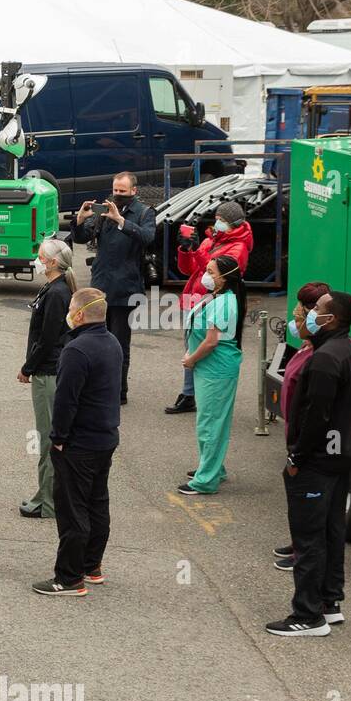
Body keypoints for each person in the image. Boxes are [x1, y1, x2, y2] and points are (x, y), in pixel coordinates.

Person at [267, 290, 351, 637]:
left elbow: (315, 415)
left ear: (332, 318)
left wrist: (296, 456)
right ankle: (329, 602)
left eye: (318, 310)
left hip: (317, 461)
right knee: (331, 531)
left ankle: (307, 616)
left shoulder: (325, 359)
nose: (311, 313)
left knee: (308, 538)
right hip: (341, 456)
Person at [33, 288, 122, 597]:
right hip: (105, 438)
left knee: (72, 509)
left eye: (71, 309)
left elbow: (65, 402)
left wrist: (57, 438)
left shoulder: (76, 350)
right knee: (98, 503)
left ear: (81, 314)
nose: (67, 314)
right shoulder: (112, 343)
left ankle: (69, 578)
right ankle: (91, 565)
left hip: (78, 443)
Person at [71, 172, 155, 405]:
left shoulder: (145, 212)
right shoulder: (105, 211)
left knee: (119, 344)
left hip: (126, 290)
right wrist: (79, 220)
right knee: (94, 341)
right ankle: (98, 386)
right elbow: (81, 238)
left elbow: (148, 237)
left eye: (122, 191)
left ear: (134, 191)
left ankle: (119, 392)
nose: (117, 195)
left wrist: (120, 220)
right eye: (115, 190)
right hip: (100, 287)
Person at [166, 200, 253, 415]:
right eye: (217, 218)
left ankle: (191, 394)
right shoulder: (210, 240)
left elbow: (217, 273)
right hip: (193, 299)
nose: (217, 223)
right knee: (191, 345)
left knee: (203, 347)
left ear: (234, 223)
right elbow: (187, 270)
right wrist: (185, 250)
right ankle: (189, 393)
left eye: (222, 220)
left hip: (211, 302)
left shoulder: (238, 247)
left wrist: (197, 251)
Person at [272, 282, 330, 572]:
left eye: (300, 318)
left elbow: (314, 409)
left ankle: (303, 552)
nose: (296, 324)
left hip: (303, 442)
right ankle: (298, 543)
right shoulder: (307, 348)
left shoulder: (320, 359)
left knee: (308, 502)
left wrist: (298, 451)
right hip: (293, 434)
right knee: (297, 500)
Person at [178, 254, 245, 496]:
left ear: (225, 278)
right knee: (211, 422)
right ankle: (213, 468)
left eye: (211, 272)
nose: (206, 275)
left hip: (214, 369)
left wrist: (191, 359)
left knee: (210, 424)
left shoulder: (224, 303)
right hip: (211, 369)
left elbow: (211, 342)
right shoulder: (219, 297)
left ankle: (206, 480)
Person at [18, 238, 75, 519]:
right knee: (48, 438)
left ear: (53, 262)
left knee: (47, 439)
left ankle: (48, 501)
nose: (37, 259)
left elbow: (48, 338)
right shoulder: (54, 288)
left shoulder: (56, 293)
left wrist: (28, 367)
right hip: (49, 370)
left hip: (48, 373)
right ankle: (46, 495)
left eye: (41, 256)